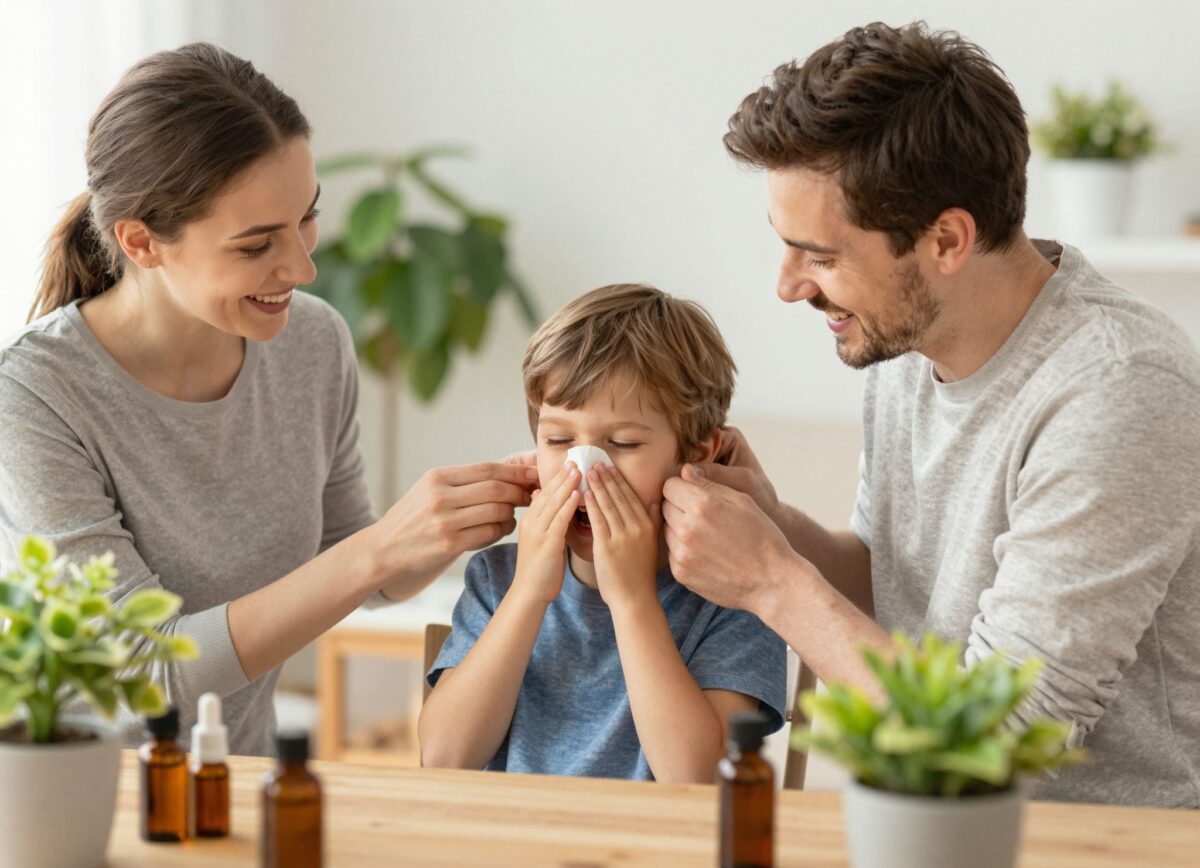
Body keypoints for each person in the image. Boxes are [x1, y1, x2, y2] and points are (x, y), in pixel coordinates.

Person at [662, 22, 1200, 807]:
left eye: (821, 255)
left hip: (1104, 859)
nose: (789, 287)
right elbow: (896, 583)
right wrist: (774, 523)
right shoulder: (907, 343)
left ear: (946, 239)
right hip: (931, 838)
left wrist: (770, 582)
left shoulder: (1118, 389)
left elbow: (1005, 740)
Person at [0, 43, 536, 754]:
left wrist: (465, 513)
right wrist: (376, 554)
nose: (304, 266)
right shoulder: (36, 394)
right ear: (142, 242)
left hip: (238, 783)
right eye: (256, 246)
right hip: (93, 808)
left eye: (306, 219)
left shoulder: (311, 344)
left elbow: (352, 562)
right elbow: (140, 670)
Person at [419, 285, 786, 783]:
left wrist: (632, 598)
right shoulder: (498, 578)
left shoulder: (735, 595)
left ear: (696, 453)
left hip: (662, 856)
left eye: (623, 443)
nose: (586, 468)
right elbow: (443, 758)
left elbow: (696, 780)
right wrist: (528, 594)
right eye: (559, 440)